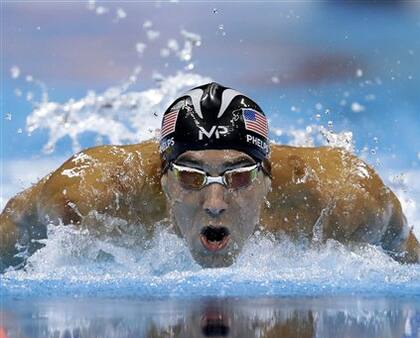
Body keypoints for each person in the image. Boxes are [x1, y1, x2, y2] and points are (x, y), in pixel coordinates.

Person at [1, 81, 419, 270]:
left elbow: (408, 260)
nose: (215, 203)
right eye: (190, 176)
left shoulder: (340, 197)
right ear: (161, 178)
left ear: (268, 178)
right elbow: (12, 231)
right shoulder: (88, 194)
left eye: (238, 178)